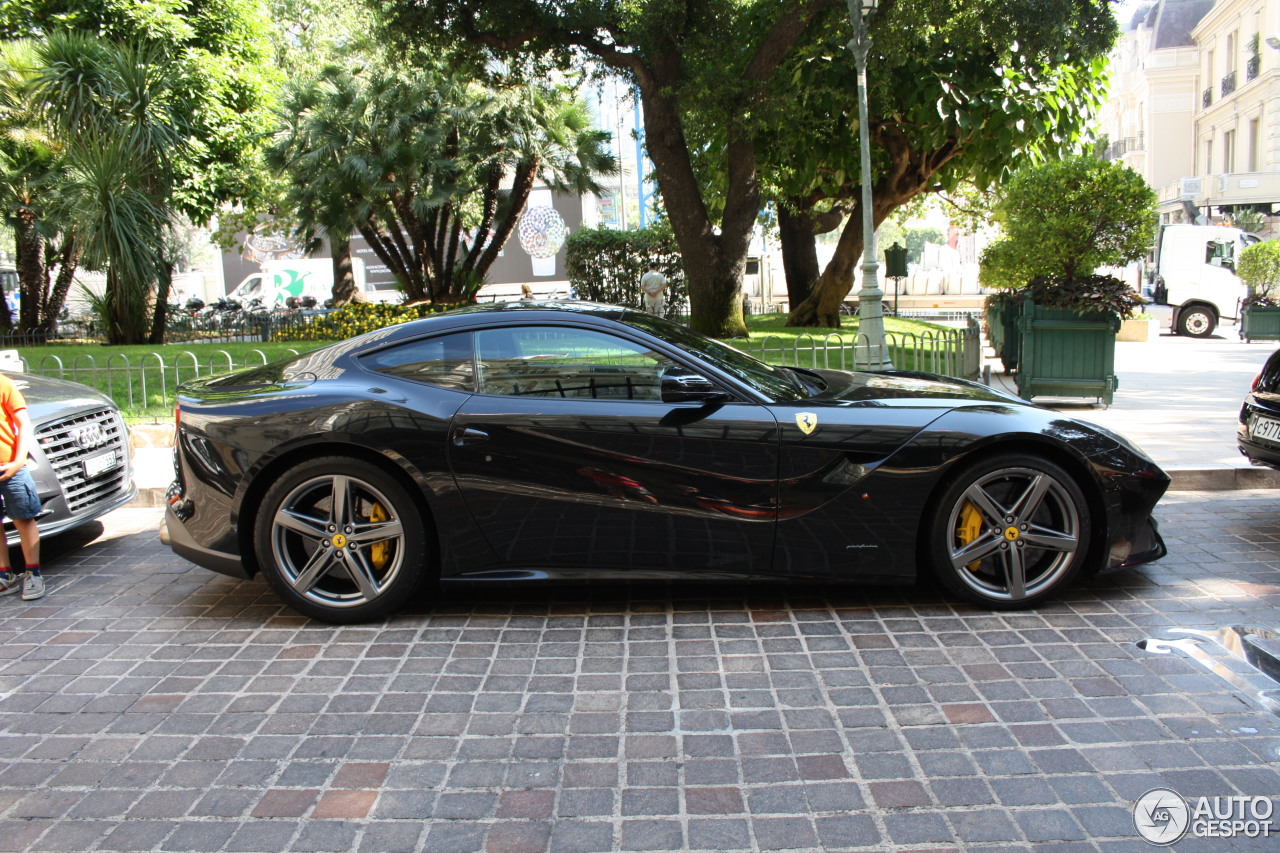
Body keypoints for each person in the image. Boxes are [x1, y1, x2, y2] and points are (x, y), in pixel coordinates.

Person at [0, 373, 42, 601]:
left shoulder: (3, 384)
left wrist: (18, 461)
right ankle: (5, 575)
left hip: (11, 467)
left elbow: (23, 424)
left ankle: (33, 573)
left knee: (23, 518)